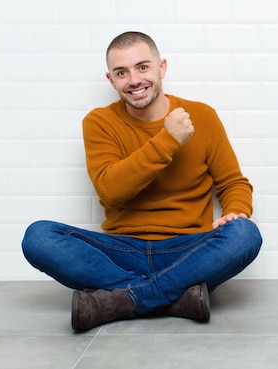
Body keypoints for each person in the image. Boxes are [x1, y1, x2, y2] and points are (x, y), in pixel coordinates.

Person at [22, 31, 262, 331]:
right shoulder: (99, 122)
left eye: (142, 67)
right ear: (111, 80)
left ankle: (125, 298)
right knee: (38, 237)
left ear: (161, 68)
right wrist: (168, 140)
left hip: (187, 251)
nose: (134, 80)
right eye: (122, 72)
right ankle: (174, 297)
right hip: (121, 252)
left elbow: (233, 184)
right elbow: (111, 191)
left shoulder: (202, 116)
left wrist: (235, 210)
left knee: (245, 234)